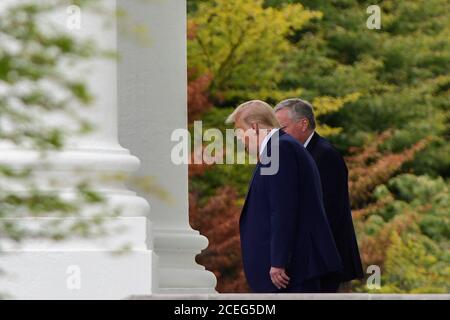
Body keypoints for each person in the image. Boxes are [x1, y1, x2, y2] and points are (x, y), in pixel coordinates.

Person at [226, 100, 342, 293]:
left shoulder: (280, 149)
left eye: (239, 131)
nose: (239, 139)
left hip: (290, 274)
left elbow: (283, 208)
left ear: (254, 127)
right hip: (291, 271)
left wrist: (278, 261)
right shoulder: (281, 148)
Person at [274, 98, 364, 293]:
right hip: (313, 262)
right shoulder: (299, 154)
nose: (277, 135)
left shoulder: (325, 156)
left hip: (328, 263)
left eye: (282, 128)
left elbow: (327, 213)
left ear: (303, 124)